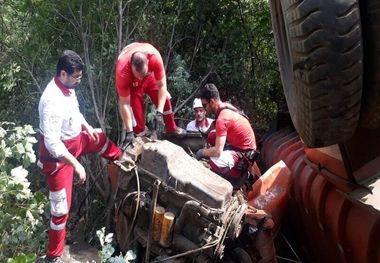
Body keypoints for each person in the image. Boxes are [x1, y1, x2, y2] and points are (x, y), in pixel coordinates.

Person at [37, 50, 127, 263]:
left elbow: (75, 112)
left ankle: (123, 159)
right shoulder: (51, 100)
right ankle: (54, 255)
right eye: (75, 77)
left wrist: (88, 127)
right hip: (58, 159)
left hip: (77, 140)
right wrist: (76, 164)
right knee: (60, 209)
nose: (79, 80)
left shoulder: (69, 88)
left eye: (79, 76)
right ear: (62, 75)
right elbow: (52, 143)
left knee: (101, 138)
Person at [116, 42, 185, 148]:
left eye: (142, 74)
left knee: (165, 99)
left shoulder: (154, 58)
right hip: (132, 85)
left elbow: (162, 87)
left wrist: (159, 113)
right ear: (131, 67)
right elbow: (124, 104)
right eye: (138, 75)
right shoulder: (123, 71)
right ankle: (141, 135)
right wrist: (129, 132)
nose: (140, 78)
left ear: (148, 62)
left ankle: (171, 128)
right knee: (137, 122)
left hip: (149, 77)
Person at [195, 83, 260, 186]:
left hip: (245, 156)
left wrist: (201, 153)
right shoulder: (225, 107)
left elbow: (217, 151)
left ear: (212, 101)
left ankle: (238, 179)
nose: (204, 109)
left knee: (214, 160)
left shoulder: (223, 118)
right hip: (241, 147)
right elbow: (211, 132)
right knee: (212, 136)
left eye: (204, 105)